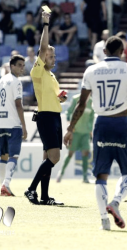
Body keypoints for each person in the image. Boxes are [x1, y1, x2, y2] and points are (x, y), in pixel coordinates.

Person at [63, 36, 127, 230]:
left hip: (101, 124)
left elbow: (81, 106)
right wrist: (123, 102)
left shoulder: (91, 71)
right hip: (121, 123)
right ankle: (115, 202)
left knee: (101, 175)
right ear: (122, 52)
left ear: (104, 51)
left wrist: (70, 129)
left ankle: (104, 221)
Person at [24, 11, 67, 206]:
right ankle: (31, 189)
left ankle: (44, 197)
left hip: (55, 116)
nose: (53, 58)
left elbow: (55, 97)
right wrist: (46, 24)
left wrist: (61, 98)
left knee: (48, 157)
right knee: (55, 157)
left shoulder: (51, 76)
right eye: (50, 56)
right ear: (42, 58)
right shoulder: (38, 71)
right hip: (46, 117)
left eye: (54, 55)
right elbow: (42, 47)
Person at [0, 55, 27, 196]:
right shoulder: (16, 82)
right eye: (19, 65)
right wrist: (24, 125)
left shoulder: (1, 80)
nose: (22, 68)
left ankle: (2, 186)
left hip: (1, 122)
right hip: (13, 124)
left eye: (23, 65)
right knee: (13, 155)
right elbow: (18, 104)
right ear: (12, 66)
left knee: (3, 156)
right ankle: (6, 184)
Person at [56, 94, 94, 183]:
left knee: (86, 153)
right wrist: (71, 126)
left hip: (85, 133)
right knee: (70, 153)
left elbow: (91, 117)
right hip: (75, 132)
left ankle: (85, 177)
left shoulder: (91, 101)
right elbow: (68, 113)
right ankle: (61, 173)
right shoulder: (75, 99)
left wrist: (90, 130)